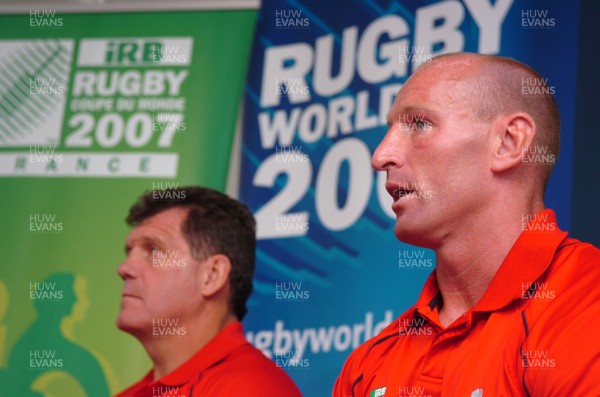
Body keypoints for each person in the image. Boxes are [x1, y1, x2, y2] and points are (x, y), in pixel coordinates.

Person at [333, 53, 600, 396]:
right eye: (390, 129)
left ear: (509, 142)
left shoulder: (585, 305)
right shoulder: (369, 364)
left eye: (419, 124)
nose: (381, 155)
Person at [115, 187, 302, 396]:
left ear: (212, 275)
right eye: (129, 252)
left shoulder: (252, 388)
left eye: (154, 250)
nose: (124, 268)